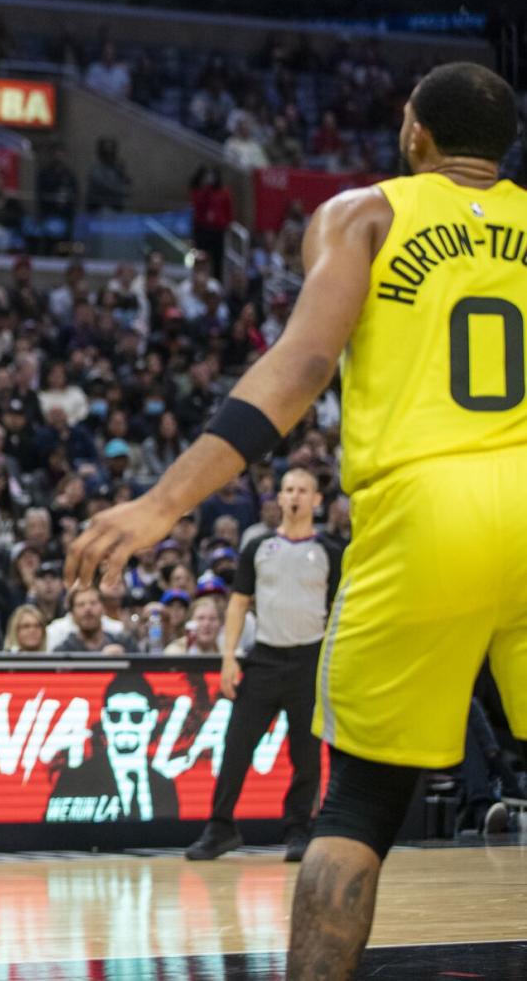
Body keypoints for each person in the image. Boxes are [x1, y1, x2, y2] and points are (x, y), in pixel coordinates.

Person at [66, 62, 526, 980]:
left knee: (356, 809)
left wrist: (164, 500)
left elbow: (304, 363)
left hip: (428, 509)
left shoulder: (367, 212)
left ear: (414, 131)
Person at [186, 467, 343, 862]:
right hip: (264, 658)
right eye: (288, 489)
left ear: (316, 500)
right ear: (279, 498)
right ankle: (220, 827)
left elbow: (342, 609)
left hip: (310, 658)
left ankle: (298, 830)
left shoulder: (329, 551)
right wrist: (228, 656)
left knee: (306, 754)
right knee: (236, 746)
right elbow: (238, 602)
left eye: (302, 490)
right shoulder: (258, 548)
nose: (293, 496)